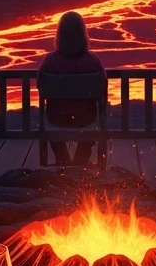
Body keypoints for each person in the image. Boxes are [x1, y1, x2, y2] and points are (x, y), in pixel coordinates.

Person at [37, 12, 106, 165]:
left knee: (51, 119)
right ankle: (80, 161)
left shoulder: (49, 61)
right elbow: (103, 89)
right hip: (86, 119)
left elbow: (40, 87)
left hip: (56, 119)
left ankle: (63, 159)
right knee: (93, 121)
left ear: (59, 34)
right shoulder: (93, 61)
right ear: (83, 34)